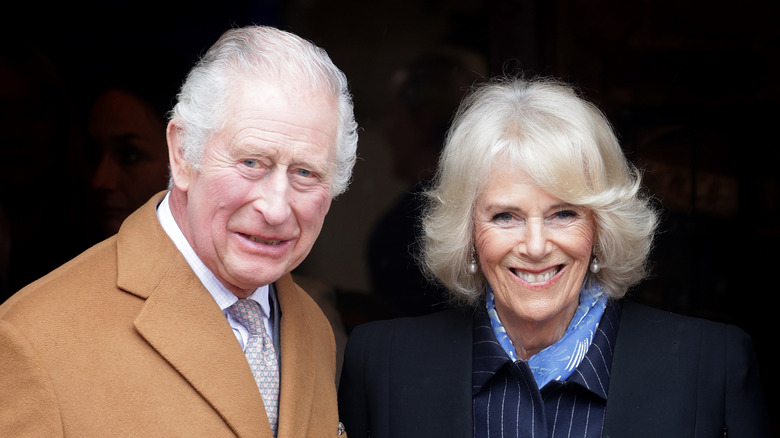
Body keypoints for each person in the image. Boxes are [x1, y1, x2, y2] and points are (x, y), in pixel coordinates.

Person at [337, 76, 770, 437]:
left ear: (602, 226)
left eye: (564, 213)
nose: (537, 245)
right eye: (505, 216)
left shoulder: (712, 365)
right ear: (467, 231)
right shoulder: (383, 365)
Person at [0, 25, 357, 437]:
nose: (276, 209)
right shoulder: (33, 339)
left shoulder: (312, 326)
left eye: (305, 172)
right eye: (251, 162)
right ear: (183, 155)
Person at [367, 47, 487, 317]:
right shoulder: (490, 208)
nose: (386, 129)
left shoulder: (400, 229)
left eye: (393, 114)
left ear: (422, 121)